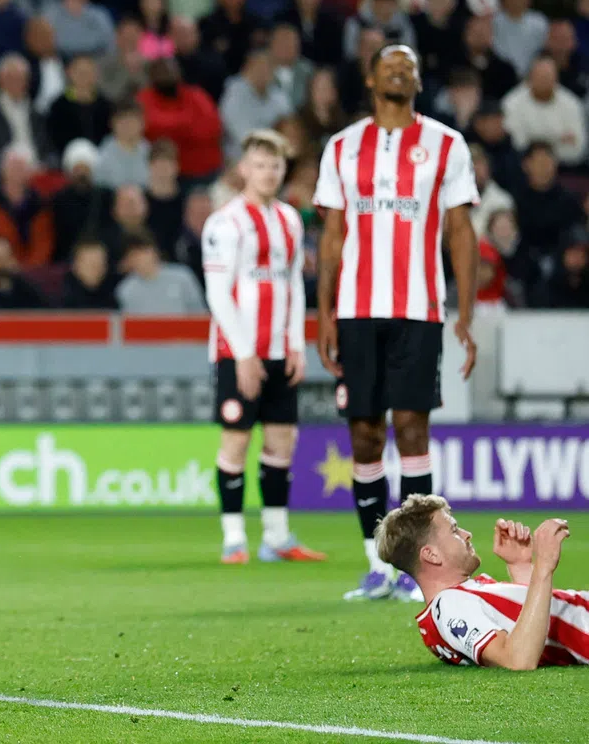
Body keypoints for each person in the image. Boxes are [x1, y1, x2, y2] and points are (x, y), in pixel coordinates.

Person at [313, 44, 480, 603]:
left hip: (419, 308)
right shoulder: (342, 146)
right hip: (356, 310)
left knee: (411, 428)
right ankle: (375, 565)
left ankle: (416, 571)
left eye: (409, 67)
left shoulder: (446, 143)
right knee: (364, 434)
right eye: (390, 66)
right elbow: (331, 237)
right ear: (370, 79)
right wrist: (324, 312)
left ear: (419, 81)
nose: (400, 73)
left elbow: (460, 230)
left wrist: (465, 313)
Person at [200, 130, 326, 565]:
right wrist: (243, 354)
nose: (268, 173)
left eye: (275, 165)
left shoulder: (290, 219)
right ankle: (234, 539)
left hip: (279, 350)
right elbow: (218, 293)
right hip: (238, 352)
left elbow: (293, 285)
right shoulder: (225, 223)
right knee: (236, 441)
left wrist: (297, 345)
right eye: (260, 165)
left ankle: (277, 537)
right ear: (243, 169)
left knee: (281, 442)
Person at [375, 495, 582, 669]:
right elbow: (517, 660)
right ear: (431, 555)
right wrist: (543, 567)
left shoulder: (455, 601)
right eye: (454, 530)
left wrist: (520, 566)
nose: (467, 534)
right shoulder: (450, 605)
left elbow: (543, 627)